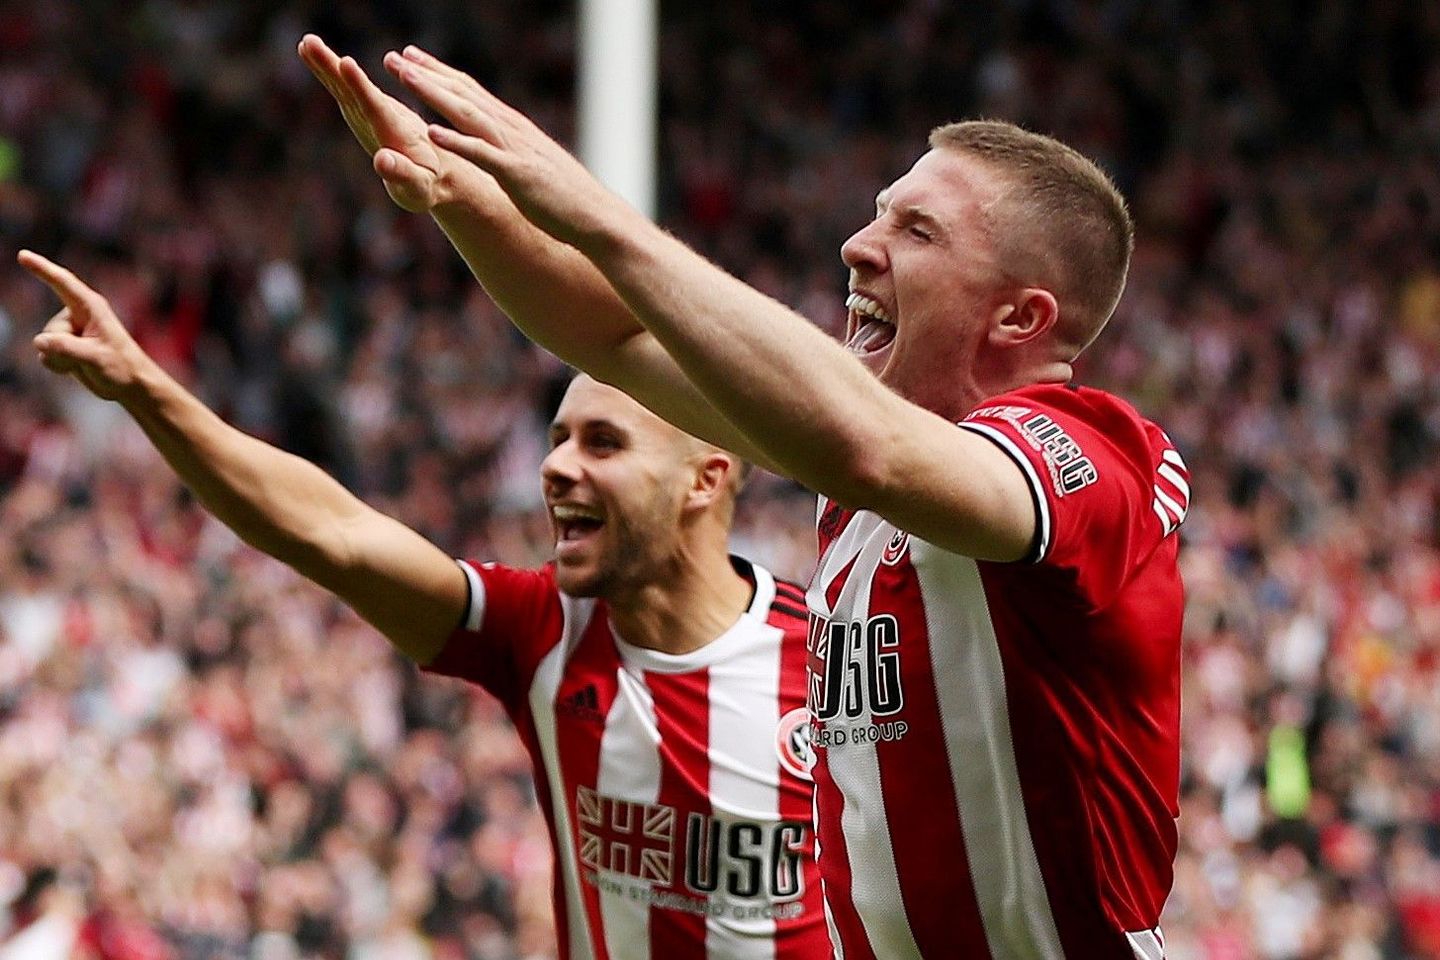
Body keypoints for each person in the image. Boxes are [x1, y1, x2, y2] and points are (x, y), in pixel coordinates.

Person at [300, 37, 1190, 960]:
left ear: (1021, 318)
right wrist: (462, 194)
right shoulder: (862, 485)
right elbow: (613, 337)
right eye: (879, 215)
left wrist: (605, 219)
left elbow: (867, 447)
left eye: (917, 233)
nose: (858, 245)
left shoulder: (1096, 452)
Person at [17, 250, 829, 960]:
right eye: (557, 439)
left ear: (706, 479)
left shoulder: (833, 655)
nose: (557, 468)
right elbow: (333, 534)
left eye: (604, 443)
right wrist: (148, 390)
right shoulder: (539, 629)